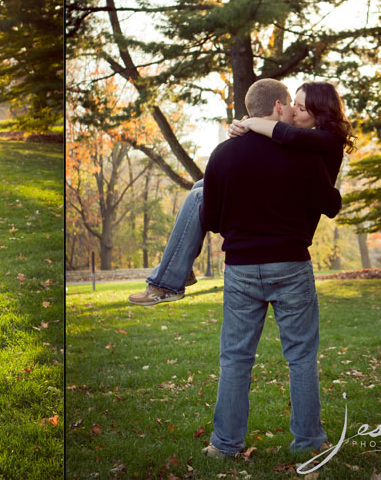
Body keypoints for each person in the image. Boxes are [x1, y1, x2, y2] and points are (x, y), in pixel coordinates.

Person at [198, 79, 342, 458]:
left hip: (242, 267)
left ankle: (225, 445)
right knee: (300, 357)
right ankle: (309, 443)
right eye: (292, 105)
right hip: (291, 264)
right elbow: (327, 203)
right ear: (279, 107)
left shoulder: (223, 154)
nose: (296, 112)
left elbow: (209, 218)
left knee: (236, 358)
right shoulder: (304, 154)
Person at [128, 80, 355, 306]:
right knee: (200, 186)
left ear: (321, 113)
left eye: (301, 108)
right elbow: (283, 137)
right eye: (293, 103)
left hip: (295, 230)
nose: (293, 111)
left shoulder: (326, 140)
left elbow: (289, 136)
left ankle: (167, 283)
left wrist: (253, 123)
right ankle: (181, 268)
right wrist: (247, 126)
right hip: (284, 221)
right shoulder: (307, 138)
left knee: (199, 196)